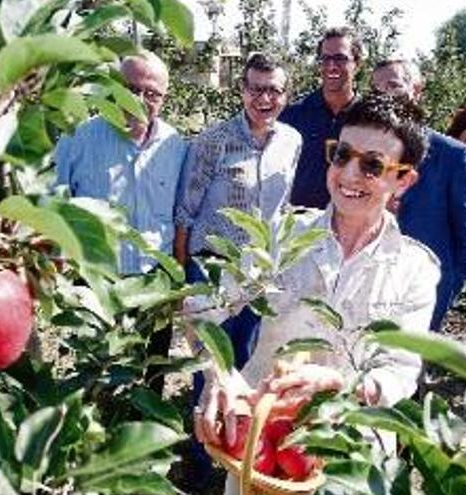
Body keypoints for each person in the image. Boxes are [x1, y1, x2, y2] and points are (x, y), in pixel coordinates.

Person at [191, 94, 440, 494]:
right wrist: (218, 375)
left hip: (349, 457)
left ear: (403, 180)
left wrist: (338, 382)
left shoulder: (415, 268)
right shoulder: (284, 236)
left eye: (372, 165)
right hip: (262, 447)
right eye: (342, 155)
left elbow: (399, 372)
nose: (350, 174)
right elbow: (200, 310)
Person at [174, 52, 301, 482]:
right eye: (256, 89)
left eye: (275, 90)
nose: (265, 98)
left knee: (246, 362)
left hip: (259, 271)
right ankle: (200, 459)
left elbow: (282, 209)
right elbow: (186, 210)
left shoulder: (292, 141)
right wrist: (181, 276)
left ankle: (238, 452)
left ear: (287, 94)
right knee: (209, 367)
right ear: (242, 90)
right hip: (212, 267)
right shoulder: (214, 140)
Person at [53, 50, 188, 393]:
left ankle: (146, 443)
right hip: (98, 283)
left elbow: (181, 213)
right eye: (130, 88)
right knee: (96, 377)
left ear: (164, 97)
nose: (139, 100)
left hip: (154, 285)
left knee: (150, 375)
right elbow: (53, 205)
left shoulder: (176, 145)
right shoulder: (77, 139)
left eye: (152, 93)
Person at [371, 57, 466, 332]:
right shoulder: (364, 150)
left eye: (394, 85)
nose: (385, 94)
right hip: (369, 287)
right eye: (377, 88)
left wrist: (443, 293)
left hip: (421, 294)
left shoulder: (452, 156)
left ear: (417, 90)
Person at [279, 27, 362, 209]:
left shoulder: (369, 119)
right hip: (300, 227)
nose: (331, 65)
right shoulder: (292, 116)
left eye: (340, 58)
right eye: (325, 59)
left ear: (357, 63)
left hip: (352, 224)